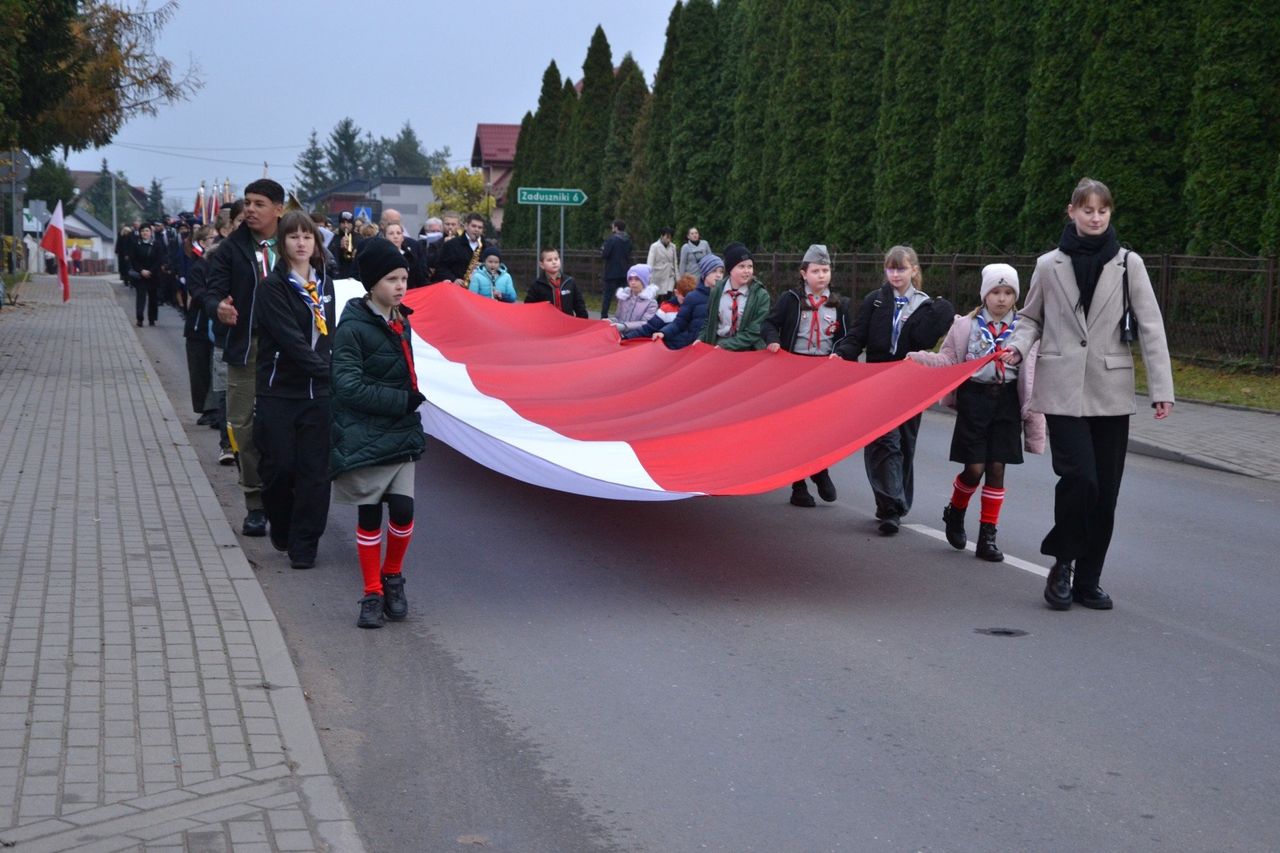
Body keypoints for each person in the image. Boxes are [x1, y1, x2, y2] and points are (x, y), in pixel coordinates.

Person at [1003, 177, 1174, 611]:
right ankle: (1063, 563)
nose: (1095, 217)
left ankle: (1089, 580)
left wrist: (1162, 388)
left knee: (1107, 491)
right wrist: (1017, 350)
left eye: (1103, 210)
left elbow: (1150, 325)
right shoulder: (1048, 265)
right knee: (1081, 479)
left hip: (1110, 391)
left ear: (1109, 214)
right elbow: (1030, 319)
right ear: (1072, 212)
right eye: (1087, 210)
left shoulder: (1128, 263)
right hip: (1060, 390)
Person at [908, 263, 1046, 560]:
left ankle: (988, 536)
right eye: (996, 291)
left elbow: (1036, 372)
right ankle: (956, 511)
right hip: (975, 401)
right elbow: (948, 360)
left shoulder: (1025, 329)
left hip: (1007, 401)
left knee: (997, 468)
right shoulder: (965, 326)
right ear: (985, 294)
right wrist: (919, 360)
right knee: (975, 469)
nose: (1001, 298)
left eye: (1008, 292)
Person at [330, 237, 427, 629]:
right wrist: (400, 401)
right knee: (370, 512)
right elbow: (347, 386)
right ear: (372, 283)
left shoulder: (403, 320)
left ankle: (393, 576)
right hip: (364, 431)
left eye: (404, 278)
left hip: (400, 431)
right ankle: (371, 592)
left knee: (403, 509)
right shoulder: (352, 328)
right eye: (391, 279)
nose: (400, 286)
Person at [832, 245, 955, 535]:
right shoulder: (875, 301)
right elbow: (857, 337)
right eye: (891, 268)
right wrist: (841, 356)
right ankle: (890, 506)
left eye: (901, 268)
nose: (895, 274)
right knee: (884, 442)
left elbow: (924, 339)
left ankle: (894, 501)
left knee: (905, 443)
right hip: (878, 380)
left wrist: (941, 312)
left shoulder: (925, 306)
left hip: (910, 382)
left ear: (914, 270)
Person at [253, 211, 337, 569]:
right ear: (282, 244)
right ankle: (283, 524)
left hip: (318, 396)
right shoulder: (272, 288)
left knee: (316, 473)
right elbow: (292, 342)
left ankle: (306, 543)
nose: (301, 243)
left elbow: (333, 335)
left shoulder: (328, 285)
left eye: (308, 237)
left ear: (316, 244)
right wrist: (330, 373)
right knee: (279, 468)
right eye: (293, 237)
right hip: (279, 392)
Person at [204, 178, 287, 537]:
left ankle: (287, 499)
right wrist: (217, 307)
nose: (250, 209)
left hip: (290, 350)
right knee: (244, 428)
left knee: (285, 429)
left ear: (279, 209)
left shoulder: (297, 242)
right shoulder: (230, 249)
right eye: (247, 203)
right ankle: (255, 504)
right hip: (247, 349)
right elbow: (207, 290)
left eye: (259, 203)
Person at [762, 244, 846, 507]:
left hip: (824, 370)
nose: (822, 275)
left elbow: (846, 337)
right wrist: (773, 341)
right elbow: (769, 323)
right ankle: (798, 486)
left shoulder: (839, 303)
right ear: (803, 273)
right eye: (816, 270)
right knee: (798, 429)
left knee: (822, 428)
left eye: (826, 270)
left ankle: (820, 471)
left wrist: (840, 352)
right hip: (795, 370)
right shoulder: (791, 300)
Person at [636, 254, 721, 349]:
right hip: (689, 347)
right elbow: (679, 322)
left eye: (721, 272)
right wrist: (663, 333)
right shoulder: (693, 297)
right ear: (705, 273)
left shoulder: (724, 296)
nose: (718, 275)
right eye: (714, 271)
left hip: (713, 348)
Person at [700, 242, 770, 350]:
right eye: (741, 266)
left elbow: (755, 331)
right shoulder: (717, 291)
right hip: (718, 348)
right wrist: (700, 339)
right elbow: (709, 321)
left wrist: (726, 346)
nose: (747, 271)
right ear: (730, 269)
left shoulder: (760, 295)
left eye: (750, 266)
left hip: (747, 350)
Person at [525, 247, 588, 317]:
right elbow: (528, 307)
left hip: (567, 323)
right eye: (549, 260)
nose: (554, 262)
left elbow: (579, 305)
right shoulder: (537, 285)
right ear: (542, 265)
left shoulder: (570, 282)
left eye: (556, 259)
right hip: (546, 324)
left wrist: (583, 322)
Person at [436, 213, 486, 285]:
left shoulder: (487, 246)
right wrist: (453, 279)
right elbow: (441, 267)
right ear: (466, 226)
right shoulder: (451, 244)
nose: (476, 229)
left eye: (480, 227)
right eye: (473, 226)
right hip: (457, 288)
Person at [130, 224, 163, 327]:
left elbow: (159, 260)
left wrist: (150, 271)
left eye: (147, 231)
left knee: (153, 298)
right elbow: (133, 260)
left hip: (153, 275)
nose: (145, 233)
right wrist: (141, 271)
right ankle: (140, 318)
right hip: (140, 275)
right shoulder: (136, 244)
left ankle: (152, 319)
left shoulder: (157, 244)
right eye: (143, 231)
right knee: (141, 297)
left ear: (151, 232)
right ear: (140, 233)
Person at [600, 219, 632, 319]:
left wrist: (602, 249)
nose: (612, 228)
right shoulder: (628, 240)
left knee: (607, 296)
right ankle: (623, 315)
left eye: (613, 226)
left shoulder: (612, 240)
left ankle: (604, 316)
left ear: (616, 227)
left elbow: (605, 254)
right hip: (624, 272)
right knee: (623, 296)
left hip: (611, 272)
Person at [611, 264, 658, 333]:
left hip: (636, 337)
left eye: (637, 279)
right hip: (619, 335)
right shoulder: (624, 297)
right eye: (630, 279)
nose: (633, 282)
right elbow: (618, 318)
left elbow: (645, 323)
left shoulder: (651, 303)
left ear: (644, 281)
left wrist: (625, 326)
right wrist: (610, 321)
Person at [384, 222, 425, 288]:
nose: (395, 236)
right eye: (391, 233)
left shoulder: (411, 257)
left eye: (398, 233)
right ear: (385, 238)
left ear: (402, 238)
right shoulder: (381, 258)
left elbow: (421, 279)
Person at [647, 227, 678, 295]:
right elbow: (650, 262)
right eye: (667, 237)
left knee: (669, 295)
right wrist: (648, 276)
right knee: (658, 296)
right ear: (661, 236)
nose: (669, 240)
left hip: (670, 275)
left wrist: (677, 277)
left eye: (670, 238)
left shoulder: (673, 246)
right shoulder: (654, 246)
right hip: (658, 275)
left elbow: (675, 262)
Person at [328, 211, 359, 279]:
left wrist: (352, 250)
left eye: (348, 223)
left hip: (354, 277)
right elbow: (330, 257)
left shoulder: (359, 238)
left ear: (352, 224)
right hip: (338, 276)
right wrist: (339, 248)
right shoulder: (334, 238)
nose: (345, 226)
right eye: (343, 223)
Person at [418, 216, 446, 282]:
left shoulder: (445, 243)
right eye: (433, 231)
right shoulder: (420, 244)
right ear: (426, 231)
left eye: (438, 231)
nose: (436, 234)